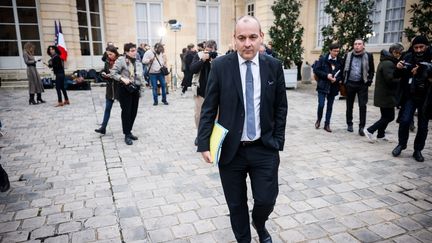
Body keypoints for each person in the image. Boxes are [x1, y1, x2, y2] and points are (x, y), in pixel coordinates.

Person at [197, 16, 288, 243]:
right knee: (236, 204)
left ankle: (259, 221)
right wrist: (203, 143)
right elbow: (209, 107)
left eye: (252, 37)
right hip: (231, 150)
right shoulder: (220, 66)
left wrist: (277, 140)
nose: (247, 43)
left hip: (264, 147)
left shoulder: (273, 66)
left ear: (261, 38)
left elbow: (281, 106)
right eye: (242, 38)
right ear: (234, 40)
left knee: (266, 200)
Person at [392, 35, 431, 162]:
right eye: (416, 47)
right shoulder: (408, 56)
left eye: (421, 47)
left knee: (423, 126)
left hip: (426, 97)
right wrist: (398, 68)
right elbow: (398, 75)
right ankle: (401, 144)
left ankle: (418, 150)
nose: (419, 50)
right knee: (404, 121)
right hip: (410, 95)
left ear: (427, 46)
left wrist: (422, 73)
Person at [364, 43, 404, 142]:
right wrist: (401, 80)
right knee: (390, 117)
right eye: (399, 53)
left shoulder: (387, 61)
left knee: (385, 116)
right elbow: (390, 80)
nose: (400, 55)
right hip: (386, 95)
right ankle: (370, 130)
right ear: (394, 52)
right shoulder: (388, 63)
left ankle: (381, 135)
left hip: (385, 95)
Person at [110, 42, 143, 145]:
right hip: (125, 89)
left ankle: (129, 131)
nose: (135, 52)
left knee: (133, 112)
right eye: (132, 51)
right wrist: (122, 79)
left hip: (135, 89)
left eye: (135, 50)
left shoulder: (137, 62)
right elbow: (112, 73)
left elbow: (140, 77)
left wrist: (141, 89)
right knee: (126, 112)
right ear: (126, 52)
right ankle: (126, 134)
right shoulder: (121, 60)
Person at [342, 38, 375, 136]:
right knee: (349, 105)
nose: (357, 46)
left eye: (359, 44)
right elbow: (344, 68)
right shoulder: (348, 55)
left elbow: (372, 70)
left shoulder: (368, 56)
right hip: (350, 83)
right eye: (355, 44)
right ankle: (349, 124)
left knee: (362, 106)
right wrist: (345, 81)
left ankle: (361, 127)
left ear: (363, 45)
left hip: (362, 84)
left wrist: (369, 81)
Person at [190, 40, 218, 145]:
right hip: (200, 91)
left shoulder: (217, 58)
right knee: (198, 115)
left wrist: (213, 60)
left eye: (210, 51)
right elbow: (192, 69)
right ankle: (199, 135)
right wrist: (202, 60)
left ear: (215, 50)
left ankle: (212, 135)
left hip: (214, 93)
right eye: (206, 50)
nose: (208, 53)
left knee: (215, 116)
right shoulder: (199, 55)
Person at [313, 43, 343, 132]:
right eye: (334, 51)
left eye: (338, 51)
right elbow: (316, 70)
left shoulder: (340, 61)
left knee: (330, 106)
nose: (336, 53)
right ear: (330, 51)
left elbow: (342, 75)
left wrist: (336, 79)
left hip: (333, 86)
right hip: (322, 85)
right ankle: (319, 119)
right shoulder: (322, 59)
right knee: (321, 105)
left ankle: (327, 124)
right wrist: (327, 75)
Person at [95, 45, 120, 135]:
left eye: (110, 54)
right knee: (107, 109)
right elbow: (105, 71)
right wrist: (103, 74)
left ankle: (127, 129)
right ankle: (103, 128)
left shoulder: (121, 60)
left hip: (119, 88)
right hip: (110, 88)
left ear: (115, 53)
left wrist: (114, 75)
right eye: (107, 54)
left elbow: (124, 73)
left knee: (125, 109)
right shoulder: (107, 61)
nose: (109, 56)